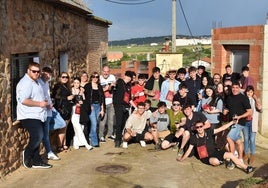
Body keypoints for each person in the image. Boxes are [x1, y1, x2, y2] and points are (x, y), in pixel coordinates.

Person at [176, 121, 254, 174]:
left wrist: (231, 122)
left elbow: (221, 128)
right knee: (215, 162)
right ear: (196, 128)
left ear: (203, 126)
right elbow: (189, 150)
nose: (199, 128)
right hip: (205, 157)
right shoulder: (194, 138)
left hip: (215, 152)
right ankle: (221, 161)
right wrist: (182, 159)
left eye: (201, 126)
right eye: (197, 127)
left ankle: (246, 168)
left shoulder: (209, 132)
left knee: (231, 155)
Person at [17, 62, 52, 169]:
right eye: (34, 71)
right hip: (29, 115)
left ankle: (37, 161)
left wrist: (45, 103)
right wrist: (39, 104)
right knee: (38, 136)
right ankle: (27, 154)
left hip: (39, 114)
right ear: (28, 71)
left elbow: (37, 96)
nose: (36, 73)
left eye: (38, 71)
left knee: (37, 137)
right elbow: (23, 100)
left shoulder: (35, 81)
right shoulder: (25, 83)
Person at [223, 81, 252, 169]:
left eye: (236, 88)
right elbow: (227, 107)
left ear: (239, 88)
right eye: (233, 88)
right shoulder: (229, 97)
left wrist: (239, 117)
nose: (235, 89)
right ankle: (240, 159)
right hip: (232, 122)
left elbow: (250, 111)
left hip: (240, 122)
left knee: (229, 138)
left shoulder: (244, 98)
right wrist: (225, 110)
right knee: (238, 141)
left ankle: (232, 160)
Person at [38, 66, 60, 160]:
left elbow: (47, 96)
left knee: (61, 123)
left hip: (50, 111)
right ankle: (49, 152)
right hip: (43, 112)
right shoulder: (38, 83)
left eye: (49, 74)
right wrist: (46, 105)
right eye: (46, 74)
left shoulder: (46, 83)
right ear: (42, 72)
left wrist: (50, 104)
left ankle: (49, 150)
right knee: (45, 134)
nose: (48, 76)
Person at [52, 72, 74, 151]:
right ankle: (59, 146)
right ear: (60, 78)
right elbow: (55, 97)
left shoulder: (67, 86)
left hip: (67, 109)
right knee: (62, 127)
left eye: (66, 77)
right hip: (62, 110)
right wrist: (66, 98)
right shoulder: (58, 86)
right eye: (63, 77)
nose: (65, 79)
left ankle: (64, 144)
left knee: (65, 128)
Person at [71, 77, 93, 151]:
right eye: (75, 83)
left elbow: (84, 100)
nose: (76, 84)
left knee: (81, 127)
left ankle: (76, 143)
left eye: (78, 83)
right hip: (73, 112)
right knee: (78, 128)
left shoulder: (81, 90)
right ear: (73, 83)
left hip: (81, 112)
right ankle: (86, 144)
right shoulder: (71, 90)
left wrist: (82, 93)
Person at [113, 71, 134, 147]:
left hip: (126, 106)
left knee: (124, 123)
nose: (128, 78)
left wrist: (136, 107)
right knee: (118, 123)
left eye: (130, 77)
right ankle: (117, 140)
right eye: (127, 76)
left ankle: (122, 137)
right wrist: (112, 85)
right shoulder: (119, 82)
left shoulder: (129, 86)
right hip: (118, 105)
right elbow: (112, 88)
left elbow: (130, 99)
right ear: (125, 76)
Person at [84, 72, 105, 147]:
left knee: (95, 124)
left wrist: (102, 109)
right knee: (94, 123)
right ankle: (95, 142)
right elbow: (85, 97)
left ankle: (91, 136)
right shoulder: (88, 86)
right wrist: (89, 105)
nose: (95, 78)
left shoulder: (99, 86)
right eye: (93, 76)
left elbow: (102, 98)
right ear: (91, 77)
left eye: (97, 77)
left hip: (98, 106)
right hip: (91, 106)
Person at [242, 85, 262, 165]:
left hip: (253, 122)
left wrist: (256, 98)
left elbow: (260, 109)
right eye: (248, 92)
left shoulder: (256, 100)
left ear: (253, 92)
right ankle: (246, 154)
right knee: (246, 139)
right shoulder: (243, 99)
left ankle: (252, 155)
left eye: (251, 92)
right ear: (246, 92)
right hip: (245, 122)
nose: (249, 93)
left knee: (252, 139)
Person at [98, 65, 116, 142]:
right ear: (102, 71)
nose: (106, 73)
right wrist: (107, 88)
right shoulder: (99, 78)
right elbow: (99, 90)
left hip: (111, 102)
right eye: (104, 71)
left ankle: (110, 134)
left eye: (107, 71)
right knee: (103, 120)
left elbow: (114, 87)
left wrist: (112, 86)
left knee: (111, 119)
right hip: (103, 102)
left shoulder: (112, 77)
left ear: (109, 72)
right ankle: (101, 135)